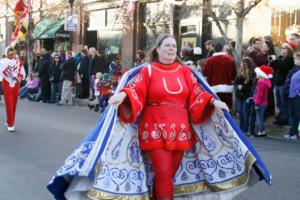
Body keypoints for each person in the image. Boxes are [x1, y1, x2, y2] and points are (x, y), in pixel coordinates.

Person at [48, 33, 271, 200]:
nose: (172, 49)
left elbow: (196, 91)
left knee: (168, 175)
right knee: (163, 173)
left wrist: (213, 101)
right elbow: (136, 90)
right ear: (158, 49)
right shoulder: (148, 71)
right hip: (154, 128)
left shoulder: (185, 71)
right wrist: (122, 96)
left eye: (174, 46)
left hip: (181, 130)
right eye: (167, 46)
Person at [202, 42, 237, 110]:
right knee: (226, 108)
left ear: (214, 49)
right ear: (222, 49)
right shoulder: (229, 60)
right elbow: (233, 74)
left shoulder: (209, 60)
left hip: (213, 88)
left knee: (214, 109)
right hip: (227, 88)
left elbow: (204, 72)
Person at [0, 47, 25, 132]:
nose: (12, 54)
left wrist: (17, 78)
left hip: (16, 84)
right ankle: (11, 124)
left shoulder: (18, 61)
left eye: (13, 52)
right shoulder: (2, 61)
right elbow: (3, 73)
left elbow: (23, 73)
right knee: (9, 104)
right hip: (7, 84)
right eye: (10, 52)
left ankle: (9, 121)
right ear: (7, 53)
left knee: (14, 104)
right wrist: (10, 68)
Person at [270, 42, 295, 125]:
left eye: (284, 48)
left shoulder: (290, 59)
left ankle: (285, 119)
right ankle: (281, 117)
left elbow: (283, 66)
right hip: (277, 82)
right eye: (282, 48)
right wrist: (272, 62)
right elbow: (275, 67)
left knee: (284, 102)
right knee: (279, 102)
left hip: (283, 83)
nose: (282, 49)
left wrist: (275, 60)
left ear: (289, 50)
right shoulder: (281, 58)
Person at [234, 57, 254, 135]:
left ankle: (245, 128)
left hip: (246, 95)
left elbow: (251, 87)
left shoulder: (250, 74)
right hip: (239, 96)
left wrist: (242, 87)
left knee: (244, 112)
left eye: (242, 63)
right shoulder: (239, 73)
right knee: (240, 111)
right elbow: (235, 83)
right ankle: (241, 127)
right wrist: (238, 88)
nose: (240, 64)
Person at [253, 65, 273, 136]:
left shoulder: (261, 83)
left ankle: (261, 131)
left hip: (260, 103)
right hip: (264, 103)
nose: (256, 74)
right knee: (260, 117)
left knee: (259, 118)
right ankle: (262, 131)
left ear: (261, 74)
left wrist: (256, 103)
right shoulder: (266, 82)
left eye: (258, 73)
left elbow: (259, 95)